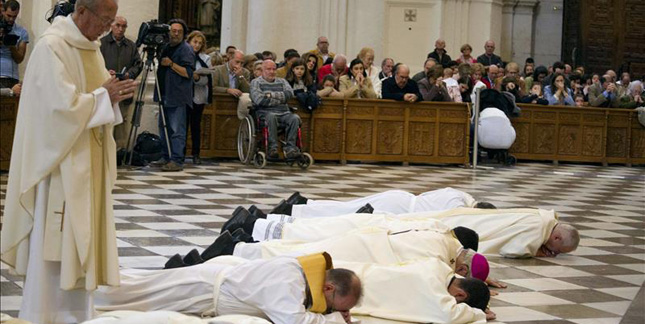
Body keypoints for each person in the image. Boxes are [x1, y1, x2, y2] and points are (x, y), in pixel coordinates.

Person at [0, 0, 139, 323]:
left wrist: (112, 96)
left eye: (111, 21)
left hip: (85, 162)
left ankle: (75, 316)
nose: (107, 27)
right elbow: (55, 111)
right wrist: (104, 97)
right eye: (104, 20)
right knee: (54, 248)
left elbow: (98, 98)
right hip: (58, 166)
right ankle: (43, 315)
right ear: (82, 12)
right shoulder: (52, 47)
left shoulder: (91, 48)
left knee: (80, 244)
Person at [95, 253, 363, 324]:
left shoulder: (301, 276)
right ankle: (84, 291)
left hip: (205, 289)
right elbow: (293, 321)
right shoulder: (289, 280)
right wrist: (334, 320)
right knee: (132, 294)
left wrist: (333, 315)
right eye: (337, 306)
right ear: (328, 287)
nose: (331, 310)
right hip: (199, 289)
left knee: (138, 293)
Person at [153, 19, 195, 171]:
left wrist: (171, 64)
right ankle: (166, 156)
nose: (175, 34)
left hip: (177, 96)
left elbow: (188, 73)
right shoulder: (165, 46)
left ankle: (176, 160)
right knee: (163, 128)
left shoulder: (186, 49)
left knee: (177, 130)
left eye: (179, 32)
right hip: (164, 93)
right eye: (173, 31)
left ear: (184, 34)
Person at [99, 16, 143, 149]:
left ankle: (119, 152)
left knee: (122, 121)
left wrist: (130, 74)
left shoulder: (131, 45)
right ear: (111, 25)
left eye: (124, 26)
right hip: (107, 86)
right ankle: (105, 151)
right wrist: (106, 72)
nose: (120, 29)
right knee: (106, 120)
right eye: (118, 25)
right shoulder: (102, 43)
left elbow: (138, 64)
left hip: (124, 88)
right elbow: (96, 63)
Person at [250, 60, 300, 159]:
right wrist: (281, 99)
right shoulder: (256, 82)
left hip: (284, 112)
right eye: (269, 69)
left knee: (295, 118)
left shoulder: (282, 81)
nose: (272, 72)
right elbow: (260, 100)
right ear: (263, 70)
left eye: (274, 69)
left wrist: (270, 95)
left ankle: (290, 148)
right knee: (271, 116)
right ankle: (272, 148)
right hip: (265, 114)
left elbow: (290, 94)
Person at [186, 30, 212, 165]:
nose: (196, 45)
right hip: (184, 95)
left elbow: (206, 80)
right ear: (189, 41)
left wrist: (196, 77)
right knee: (182, 125)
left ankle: (196, 153)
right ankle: (180, 152)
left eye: (199, 43)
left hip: (198, 96)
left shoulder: (205, 59)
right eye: (195, 42)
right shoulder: (183, 54)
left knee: (195, 125)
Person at [211, 49, 252, 120]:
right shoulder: (217, 70)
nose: (239, 65)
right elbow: (213, 88)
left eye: (242, 63)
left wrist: (241, 77)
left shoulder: (245, 72)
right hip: (220, 104)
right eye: (237, 62)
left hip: (237, 106)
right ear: (230, 58)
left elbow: (248, 91)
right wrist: (228, 90)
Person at [0, 0, 28, 89]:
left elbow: (19, 59)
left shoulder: (22, 32)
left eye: (14, 16)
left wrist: (11, 46)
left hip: (11, 77)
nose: (11, 19)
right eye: (9, 16)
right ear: (3, 11)